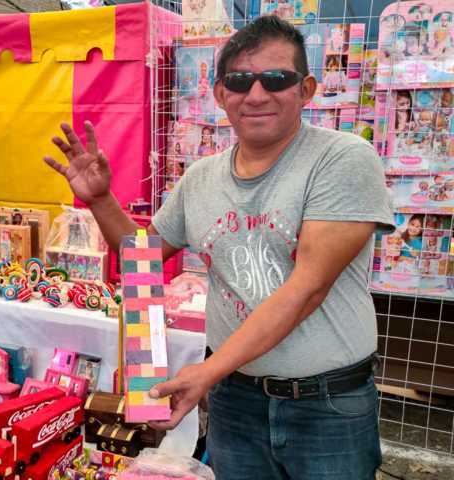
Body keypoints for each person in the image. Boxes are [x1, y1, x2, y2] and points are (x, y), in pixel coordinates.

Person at [45, 15, 394, 479]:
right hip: (236, 400)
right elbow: (140, 258)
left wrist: (207, 372)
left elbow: (307, 287)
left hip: (326, 404)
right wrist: (101, 200)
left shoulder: (343, 159)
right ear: (220, 94)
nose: (256, 94)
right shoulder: (202, 178)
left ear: (306, 89)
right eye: (240, 81)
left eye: (276, 79)